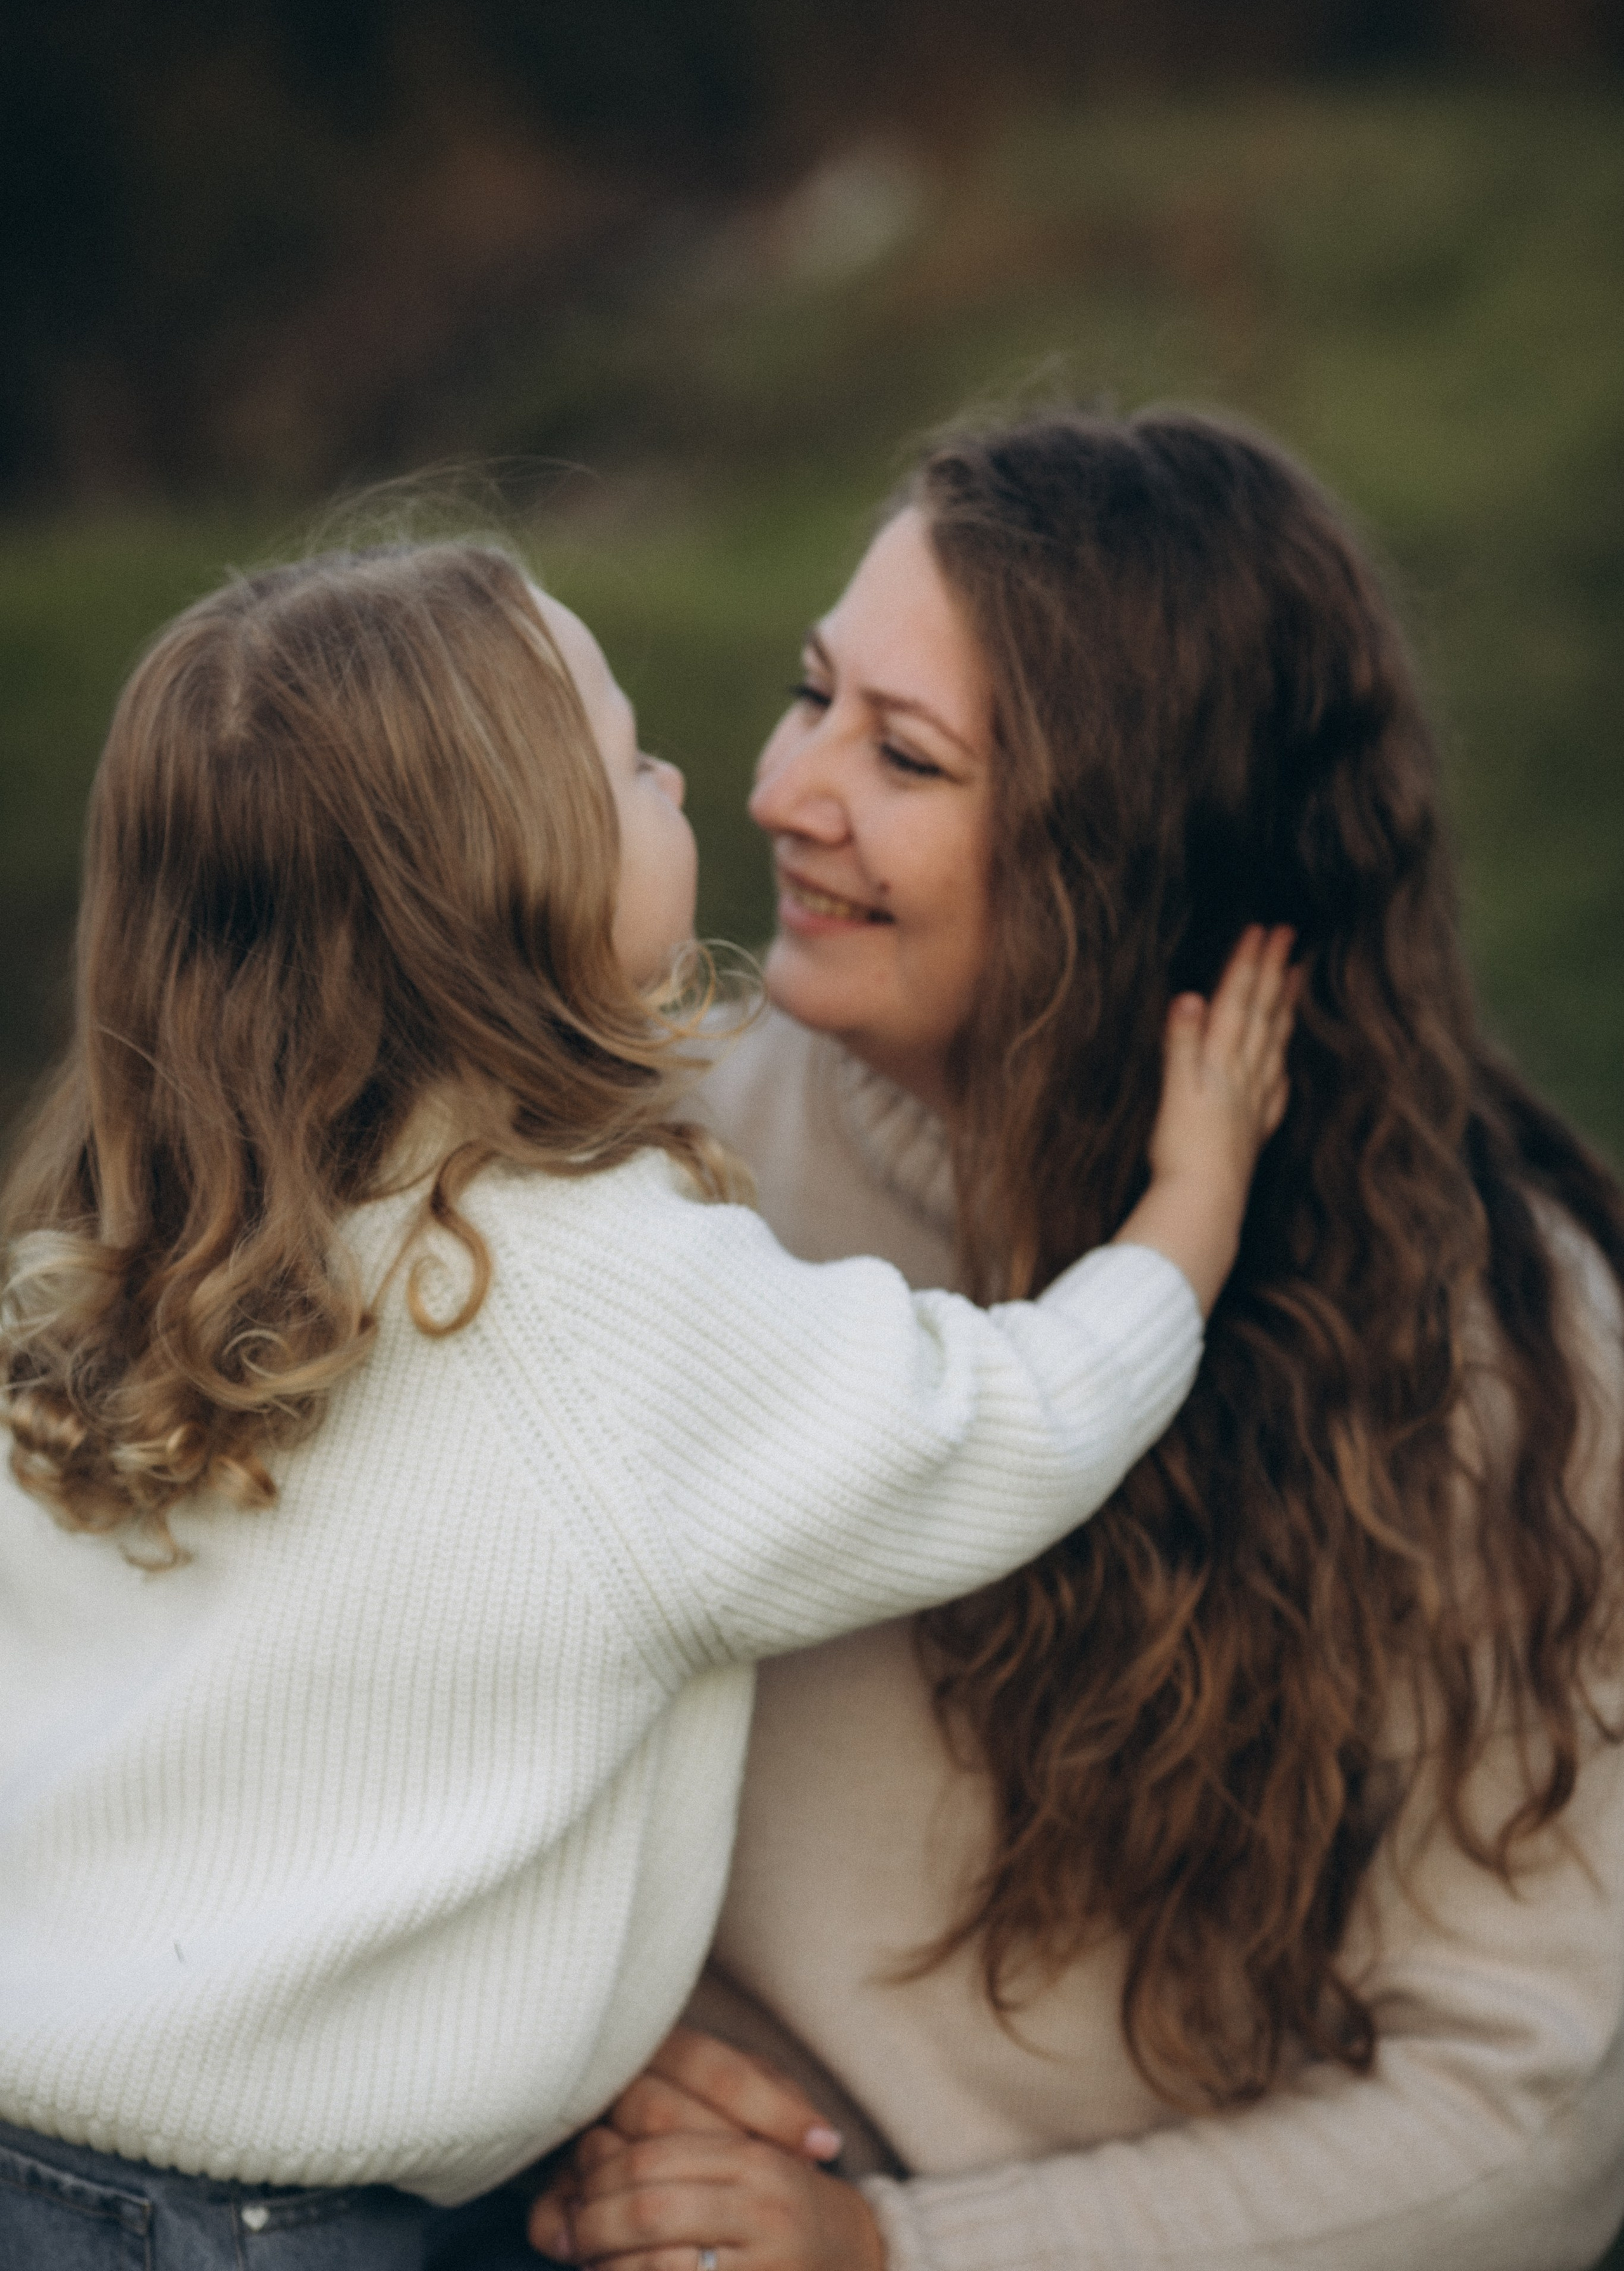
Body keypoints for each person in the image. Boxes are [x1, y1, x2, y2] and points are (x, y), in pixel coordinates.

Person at [0, 534, 1292, 2268]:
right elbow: (995, 1422)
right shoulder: (590, 1288)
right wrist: (1186, 1217)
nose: (697, 780)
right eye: (628, 765)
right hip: (272, 2233)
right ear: (514, 891)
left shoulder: (101, 1270)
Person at [530, 409, 1624, 2271]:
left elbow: (1527, 2123)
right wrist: (551, 2067)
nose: (784, 791)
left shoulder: (1491, 1361)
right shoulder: (636, 1162)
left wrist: (899, 2254)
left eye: (906, 756)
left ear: (1128, 865)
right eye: (814, 697)